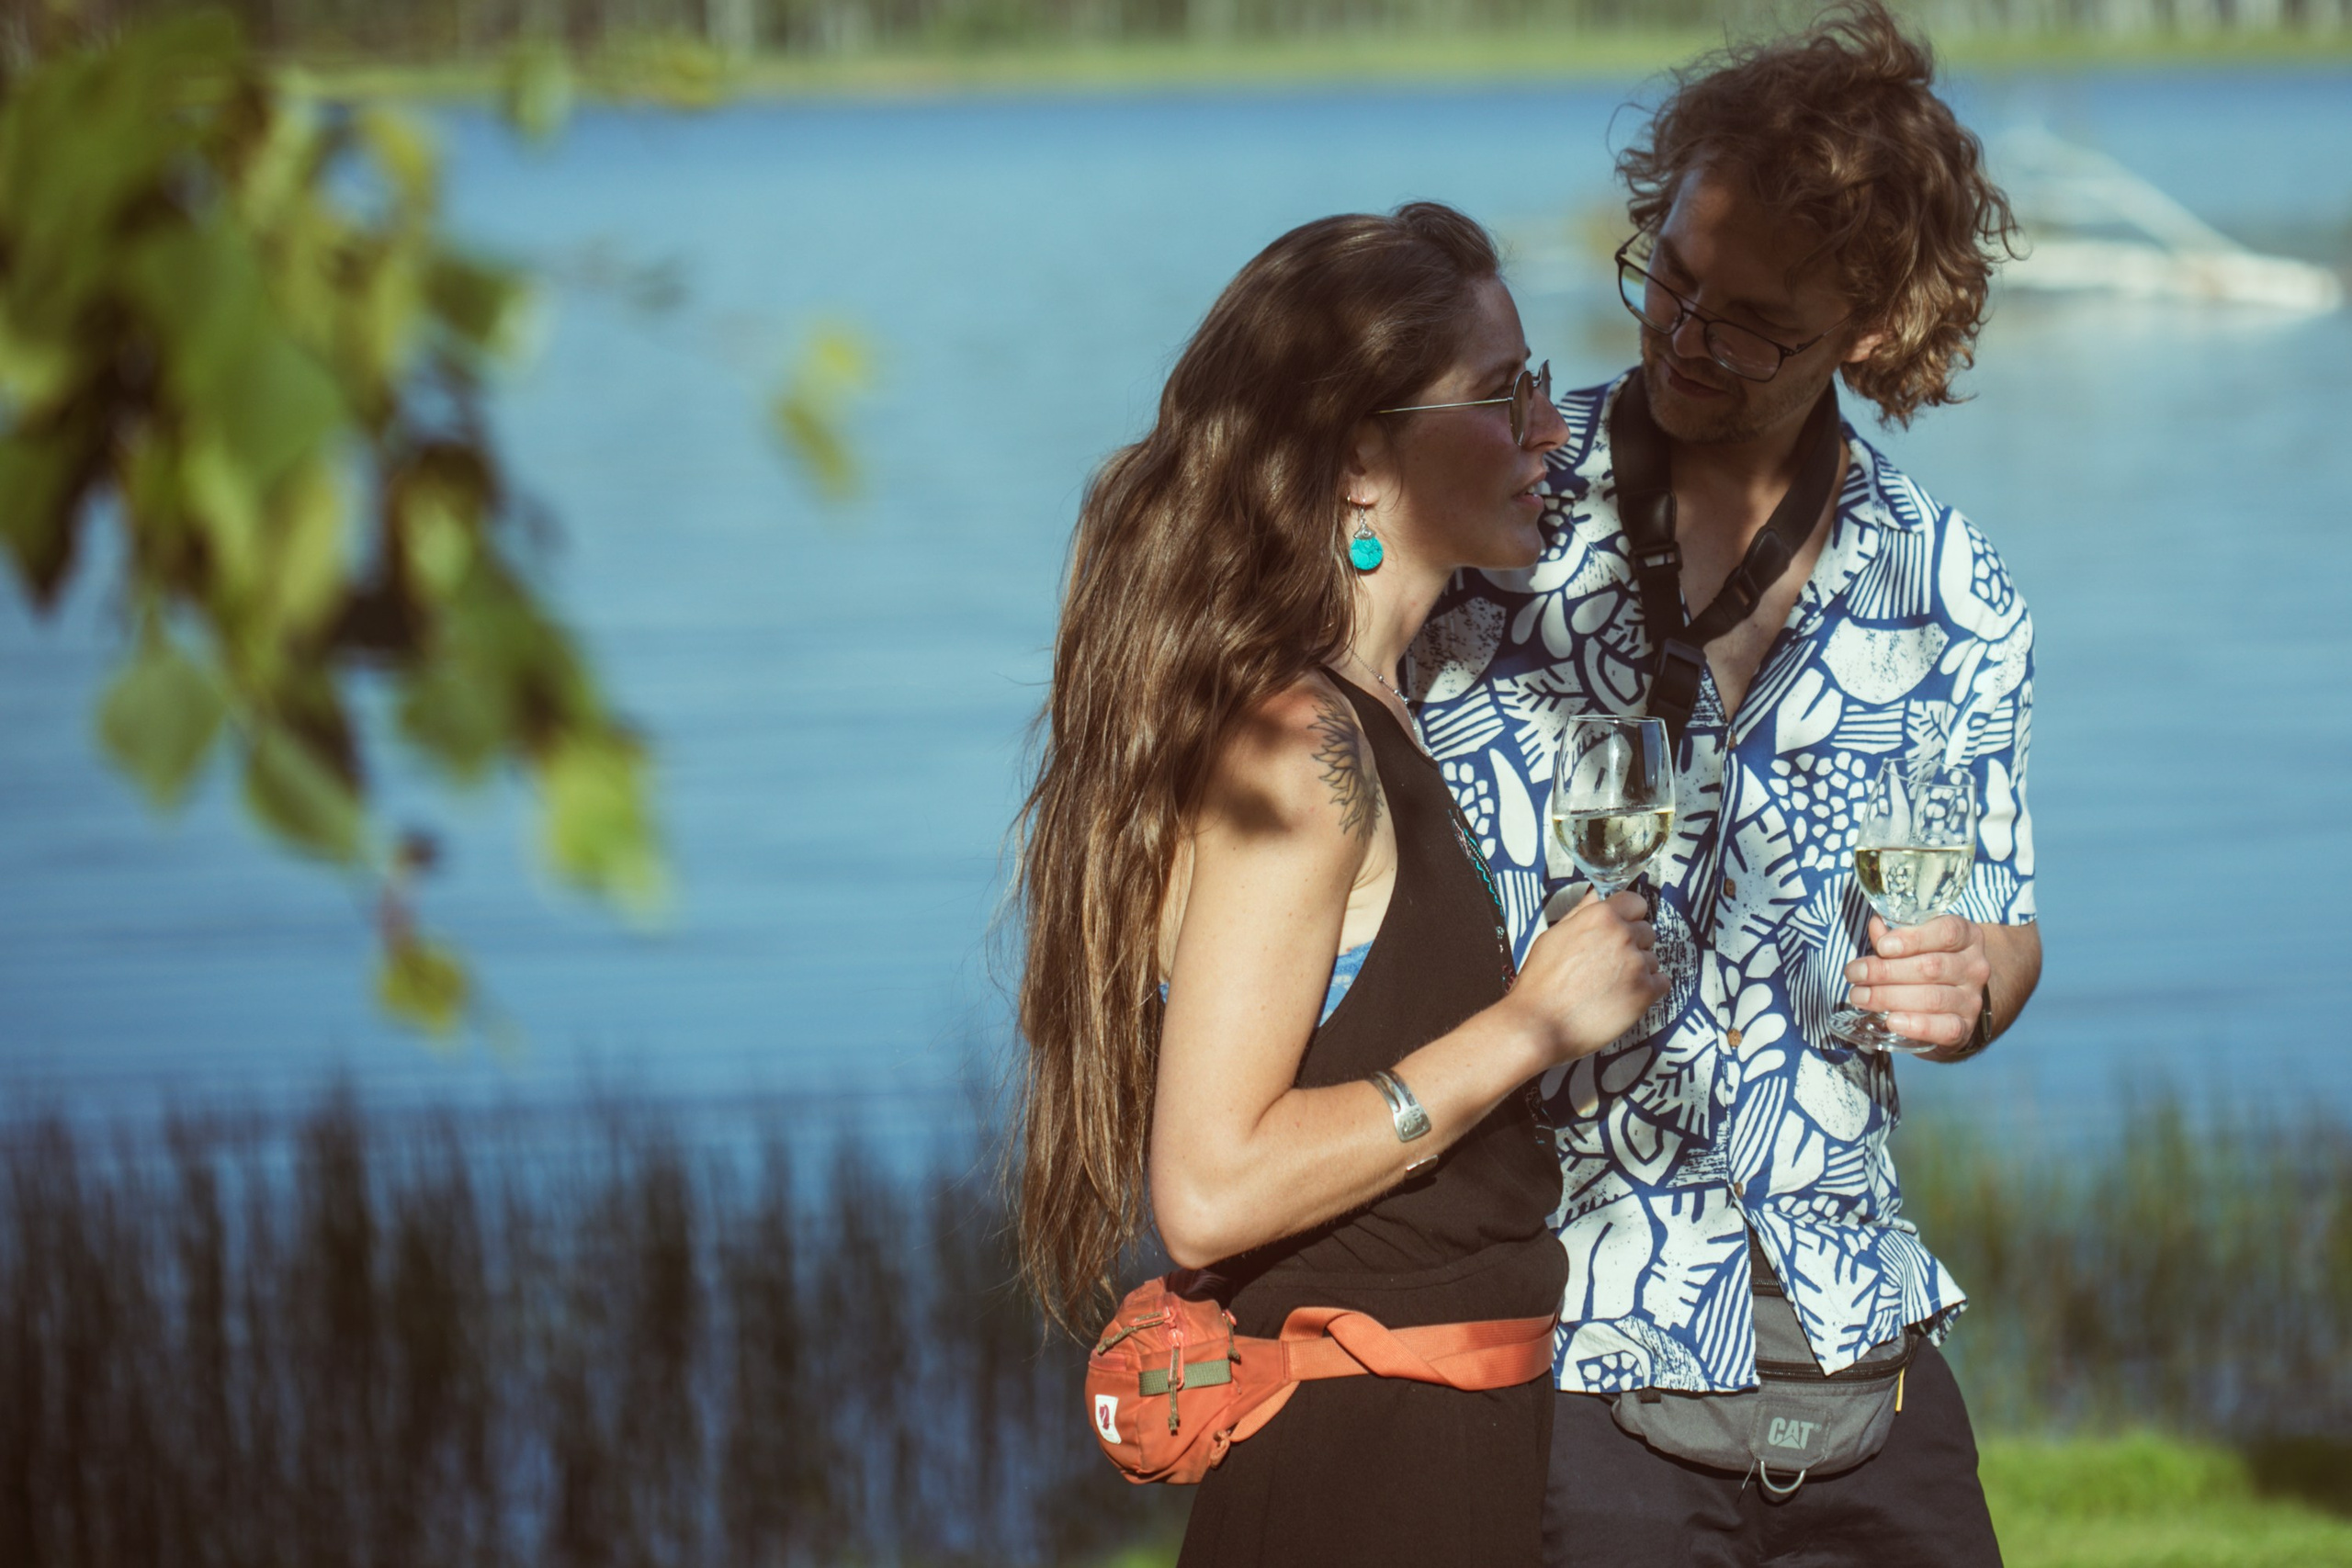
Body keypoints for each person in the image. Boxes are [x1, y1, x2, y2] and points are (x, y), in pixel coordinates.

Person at [1407, 6, 2039, 1565]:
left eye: (1750, 320)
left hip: (1864, 1351)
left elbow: (1999, 930)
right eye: (1668, 279)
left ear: (1873, 330)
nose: (1683, 340)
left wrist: (1981, 981)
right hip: (1566, 1358)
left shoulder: (1957, 592)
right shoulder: (1487, 544)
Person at [1011, 202, 1669, 1568]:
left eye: (1540, 385)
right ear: (1362, 460)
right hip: (1361, 1490)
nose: (1552, 432)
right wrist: (1528, 1030)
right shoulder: (1300, 749)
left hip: (1442, 1465)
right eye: (1503, 395)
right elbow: (1206, 1184)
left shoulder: (1377, 715)